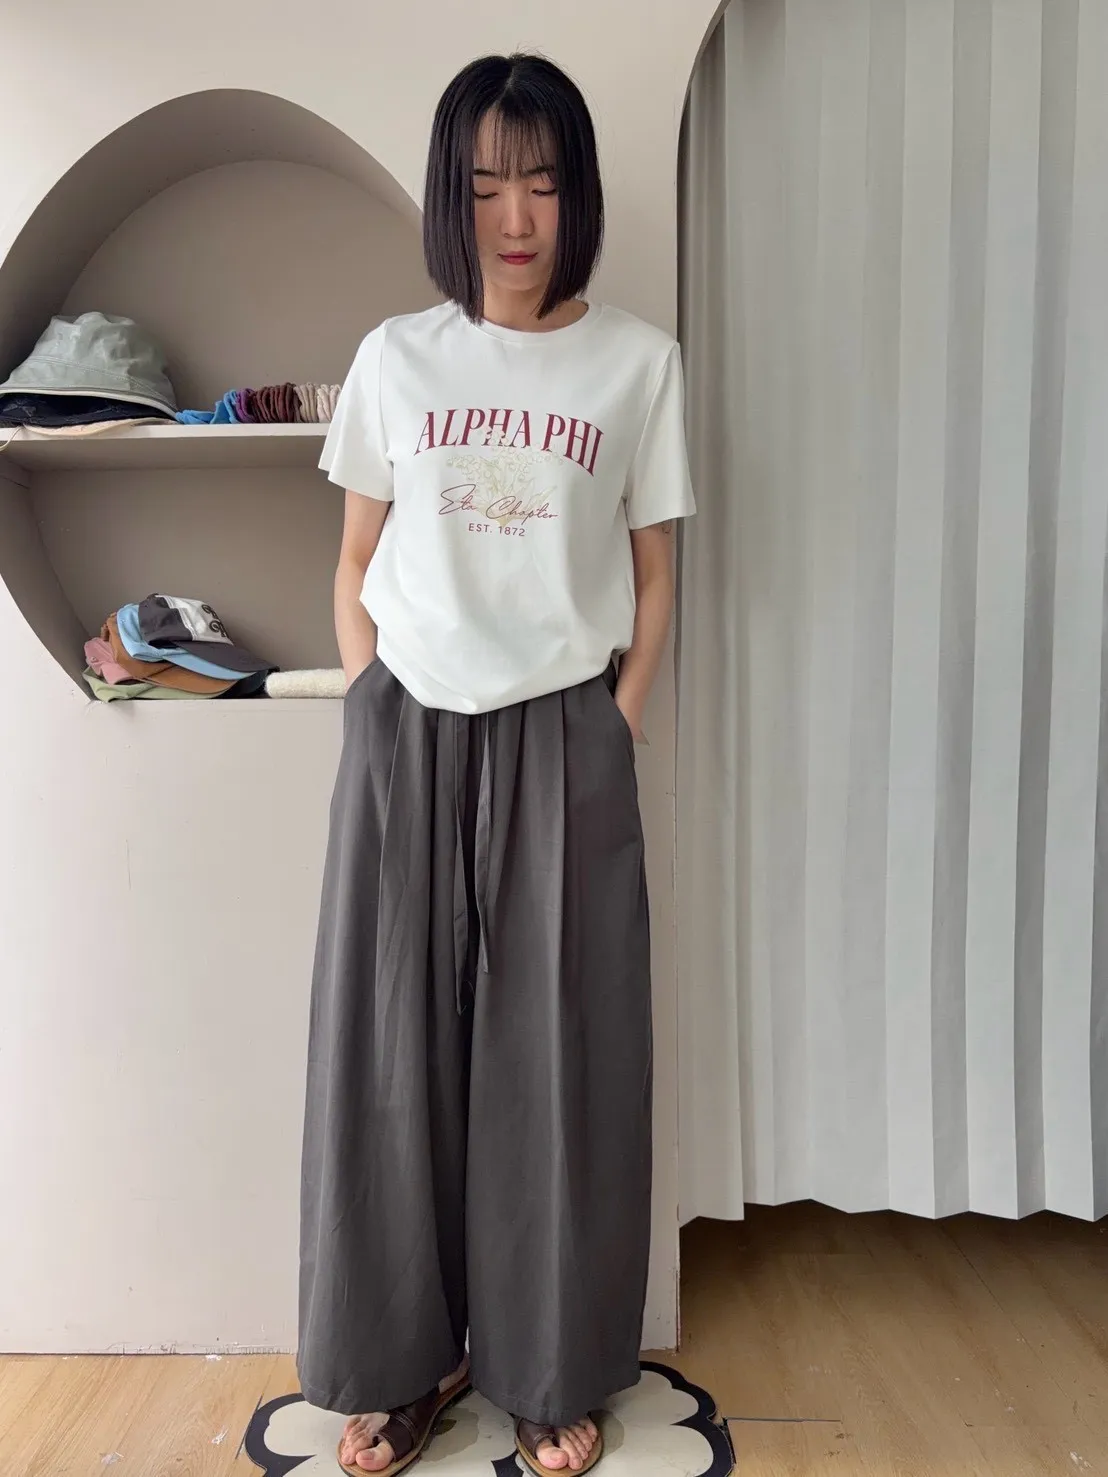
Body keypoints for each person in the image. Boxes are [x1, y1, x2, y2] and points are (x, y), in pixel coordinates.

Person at [296, 50, 695, 1477]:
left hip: (564, 729)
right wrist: (369, 697)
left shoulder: (639, 365)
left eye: (539, 182)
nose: (513, 217)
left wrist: (615, 721)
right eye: (482, 186)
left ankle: (545, 1367)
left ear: (576, 193)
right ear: (447, 199)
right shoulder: (397, 359)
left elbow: (657, 575)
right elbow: (353, 557)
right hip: (408, 724)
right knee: (391, 1051)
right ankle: (398, 1366)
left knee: (557, 1056)